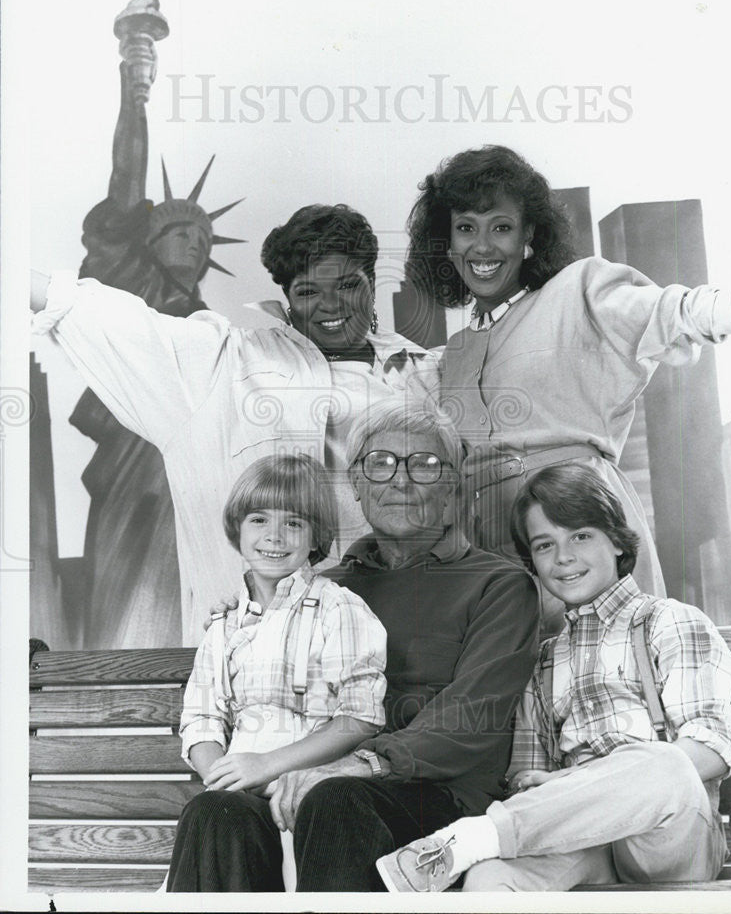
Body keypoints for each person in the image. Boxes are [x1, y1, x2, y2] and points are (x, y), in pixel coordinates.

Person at [31, 204, 439, 644]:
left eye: (347, 285)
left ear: (372, 284)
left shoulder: (427, 376)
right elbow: (109, 318)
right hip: (248, 658)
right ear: (287, 299)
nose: (330, 305)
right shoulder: (225, 364)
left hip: (394, 643)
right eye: (308, 291)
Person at [183, 398, 539, 891]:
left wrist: (361, 763)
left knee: (338, 799)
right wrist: (242, 615)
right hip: (303, 782)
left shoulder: (498, 584)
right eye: (381, 463)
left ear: (454, 483)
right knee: (216, 812)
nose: (401, 480)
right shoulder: (320, 588)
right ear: (355, 482)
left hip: (433, 798)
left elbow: (471, 715)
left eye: (426, 465)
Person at [405, 144, 731, 623]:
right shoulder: (452, 356)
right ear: (446, 242)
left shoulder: (579, 290)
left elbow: (669, 311)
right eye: (466, 228)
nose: (482, 247)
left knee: (611, 679)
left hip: (579, 528)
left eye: (501, 227)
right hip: (489, 558)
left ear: (529, 236)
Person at [376, 463, 731, 892]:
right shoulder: (544, 660)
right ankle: (474, 851)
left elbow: (709, 749)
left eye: (581, 536)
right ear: (532, 561)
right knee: (490, 878)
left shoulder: (667, 621)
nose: (563, 557)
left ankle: (467, 839)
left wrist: (576, 779)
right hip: (580, 839)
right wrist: (552, 786)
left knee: (666, 761)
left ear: (618, 543)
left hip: (668, 838)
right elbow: (525, 781)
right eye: (545, 545)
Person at [68, 25, 244, 647]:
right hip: (134, 458)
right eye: (177, 232)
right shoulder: (126, 280)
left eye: (200, 239)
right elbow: (125, 187)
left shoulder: (206, 326)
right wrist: (133, 83)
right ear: (146, 242)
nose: (193, 244)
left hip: (196, 471)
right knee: (128, 578)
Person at [166, 453, 387, 891]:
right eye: (258, 519)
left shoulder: (338, 607)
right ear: (237, 529)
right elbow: (202, 720)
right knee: (211, 812)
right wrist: (224, 779)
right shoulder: (224, 625)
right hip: (240, 797)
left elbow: (359, 717)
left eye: (293, 523)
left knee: (310, 810)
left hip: (309, 789)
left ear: (316, 537)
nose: (274, 536)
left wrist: (266, 765)